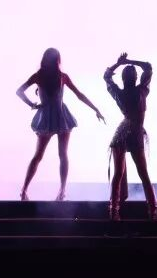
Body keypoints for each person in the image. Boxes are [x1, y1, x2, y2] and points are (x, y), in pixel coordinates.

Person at [17, 48, 105, 201]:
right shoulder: (61, 76)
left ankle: (25, 190)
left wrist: (32, 104)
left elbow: (19, 91)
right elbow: (79, 95)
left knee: (39, 156)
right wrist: (95, 109)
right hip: (60, 117)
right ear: (58, 60)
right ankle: (61, 191)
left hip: (48, 117)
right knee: (61, 155)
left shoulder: (39, 76)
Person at [104, 53, 157, 221]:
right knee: (143, 174)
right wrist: (128, 61)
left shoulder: (119, 94)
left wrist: (118, 64)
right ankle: (153, 211)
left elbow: (106, 77)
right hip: (134, 133)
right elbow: (148, 67)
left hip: (122, 133)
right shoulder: (142, 91)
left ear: (123, 79)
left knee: (118, 174)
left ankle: (114, 211)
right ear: (135, 78)